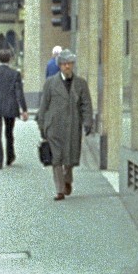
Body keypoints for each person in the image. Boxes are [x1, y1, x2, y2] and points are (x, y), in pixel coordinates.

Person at [36, 49, 93, 200]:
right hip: (54, 126)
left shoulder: (81, 84)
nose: (67, 67)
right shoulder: (50, 83)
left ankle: (67, 179)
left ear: (73, 65)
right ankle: (60, 190)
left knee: (70, 158)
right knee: (56, 159)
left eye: (69, 64)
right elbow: (44, 105)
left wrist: (87, 121)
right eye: (64, 64)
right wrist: (42, 125)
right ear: (59, 65)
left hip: (73, 126)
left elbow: (86, 104)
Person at [0, 47, 28, 168]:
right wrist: (24, 109)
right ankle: (10, 157)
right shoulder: (15, 74)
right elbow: (19, 92)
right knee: (9, 133)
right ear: (10, 60)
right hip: (10, 105)